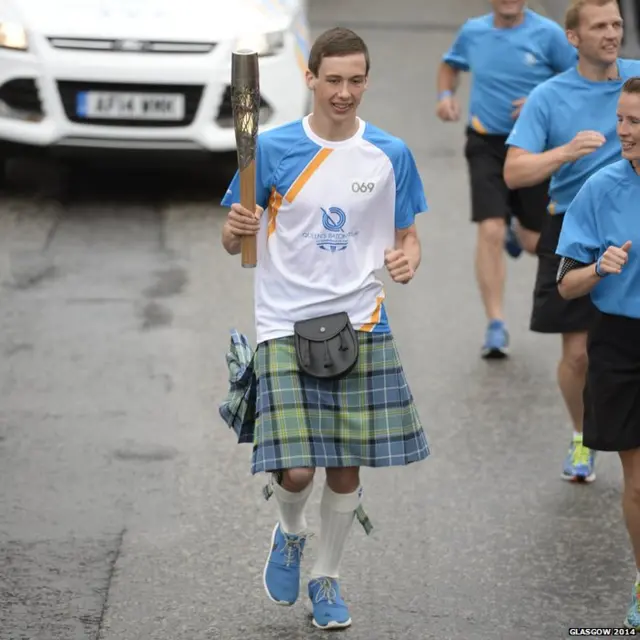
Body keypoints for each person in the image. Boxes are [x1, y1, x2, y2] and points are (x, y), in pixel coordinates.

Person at [219, 27, 430, 631]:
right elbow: (232, 236)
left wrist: (408, 258)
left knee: (344, 467)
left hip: (359, 320)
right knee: (298, 468)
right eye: (333, 80)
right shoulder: (273, 149)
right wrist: (236, 228)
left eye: (356, 80)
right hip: (284, 321)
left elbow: (407, 234)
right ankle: (290, 532)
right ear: (309, 78)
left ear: (367, 80)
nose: (345, 93)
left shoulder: (390, 153)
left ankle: (327, 577)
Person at [503, 0, 640, 483]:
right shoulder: (549, 96)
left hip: (633, 216)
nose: (611, 34)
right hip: (574, 224)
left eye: (617, 24)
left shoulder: (636, 80)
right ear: (573, 38)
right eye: (599, 26)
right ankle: (583, 436)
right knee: (578, 353)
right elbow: (515, 170)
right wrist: (564, 152)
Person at [436, 0, 577, 358]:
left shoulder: (548, 34)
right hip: (486, 142)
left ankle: (518, 229)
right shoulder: (473, 31)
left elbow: (577, 78)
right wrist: (445, 96)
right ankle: (495, 323)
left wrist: (539, 99)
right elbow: (450, 66)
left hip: (534, 147)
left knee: (536, 243)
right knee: (490, 228)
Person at [555, 76, 640, 630]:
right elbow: (565, 285)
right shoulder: (600, 187)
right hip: (622, 341)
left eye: (636, 123)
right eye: (623, 120)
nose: (625, 131)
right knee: (639, 481)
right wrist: (598, 268)